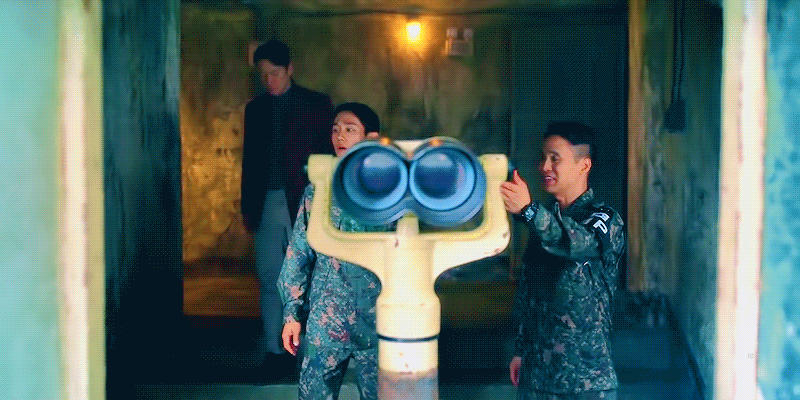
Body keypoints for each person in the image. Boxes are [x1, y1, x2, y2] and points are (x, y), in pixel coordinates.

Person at [500, 122, 626, 400]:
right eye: (543, 158)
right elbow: (528, 292)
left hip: (587, 384)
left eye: (555, 158)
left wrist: (529, 211)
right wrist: (520, 350)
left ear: (584, 165)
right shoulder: (543, 222)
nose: (545, 166)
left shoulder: (605, 219)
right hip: (537, 379)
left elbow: (575, 243)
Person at [278, 103, 391, 400]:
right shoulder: (320, 189)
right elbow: (298, 253)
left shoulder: (393, 189)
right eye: (335, 129)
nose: (340, 136)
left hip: (379, 319)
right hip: (327, 320)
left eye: (350, 129)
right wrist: (292, 314)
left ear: (372, 137)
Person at [241, 39, 334, 355]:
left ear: (290, 69)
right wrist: (248, 208)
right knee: (269, 277)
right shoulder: (255, 109)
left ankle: (306, 350)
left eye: (275, 73)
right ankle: (274, 348)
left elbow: (327, 155)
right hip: (267, 201)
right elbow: (249, 162)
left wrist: (325, 204)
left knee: (308, 277)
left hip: (306, 201)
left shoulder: (316, 105)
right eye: (264, 74)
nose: (270, 81)